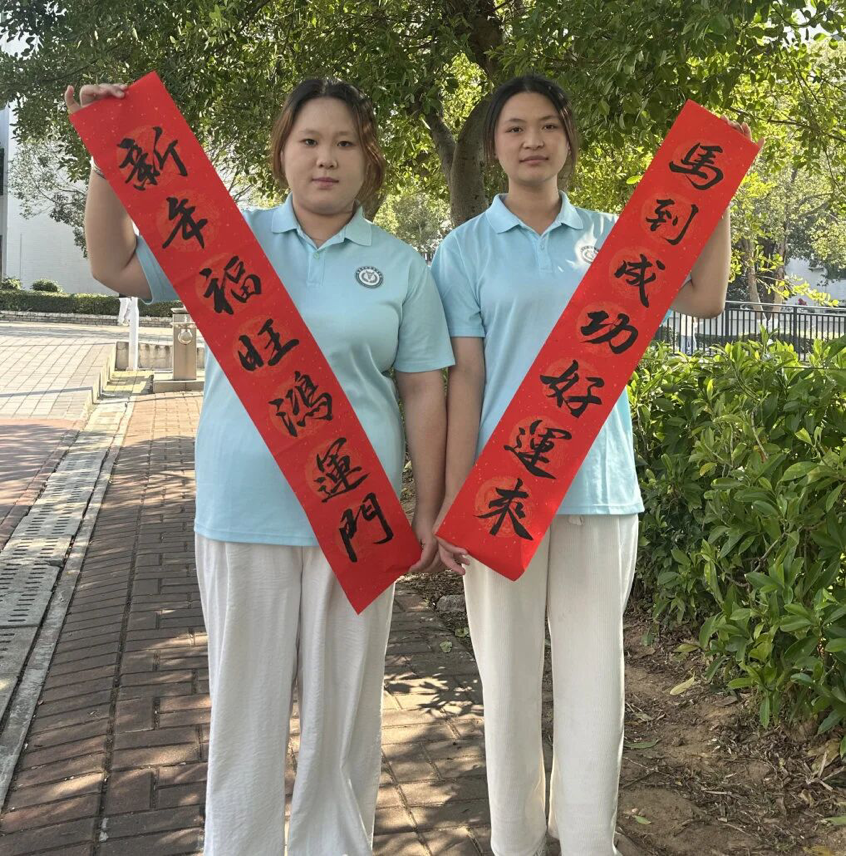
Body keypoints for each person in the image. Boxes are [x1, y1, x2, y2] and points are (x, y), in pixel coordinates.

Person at [65, 78, 454, 855]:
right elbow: (114, 265)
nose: (325, 158)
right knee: (246, 711)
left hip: (358, 518)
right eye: (309, 141)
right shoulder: (225, 242)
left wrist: (428, 506)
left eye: (344, 143)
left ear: (367, 159)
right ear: (282, 153)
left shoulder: (400, 265)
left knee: (344, 715)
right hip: (245, 511)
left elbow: (422, 388)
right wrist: (108, 160)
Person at [431, 74, 752, 856]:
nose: (532, 141)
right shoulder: (464, 248)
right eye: (515, 128)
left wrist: (717, 196)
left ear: (568, 138)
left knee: (594, 686)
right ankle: (514, 841)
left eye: (547, 125)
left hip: (598, 490)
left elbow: (706, 298)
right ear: (493, 145)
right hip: (504, 496)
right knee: (508, 684)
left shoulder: (613, 238)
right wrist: (452, 501)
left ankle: (585, 841)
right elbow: (464, 379)